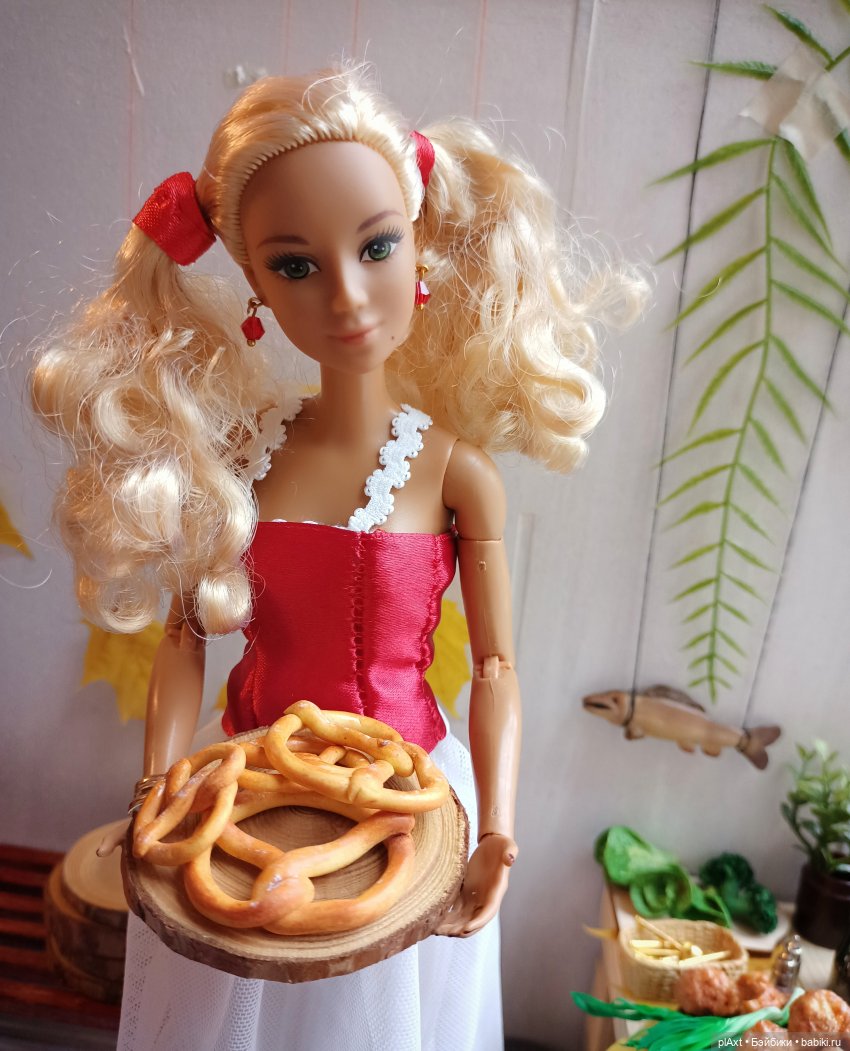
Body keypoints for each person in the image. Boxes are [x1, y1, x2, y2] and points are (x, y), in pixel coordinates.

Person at [32, 66, 645, 1051]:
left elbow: (496, 666)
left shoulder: (456, 471)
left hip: (406, 803)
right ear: (255, 289)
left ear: (419, 245)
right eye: (296, 265)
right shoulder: (235, 459)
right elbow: (184, 641)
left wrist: (496, 828)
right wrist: (157, 786)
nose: (349, 296)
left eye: (377, 246)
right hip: (245, 790)